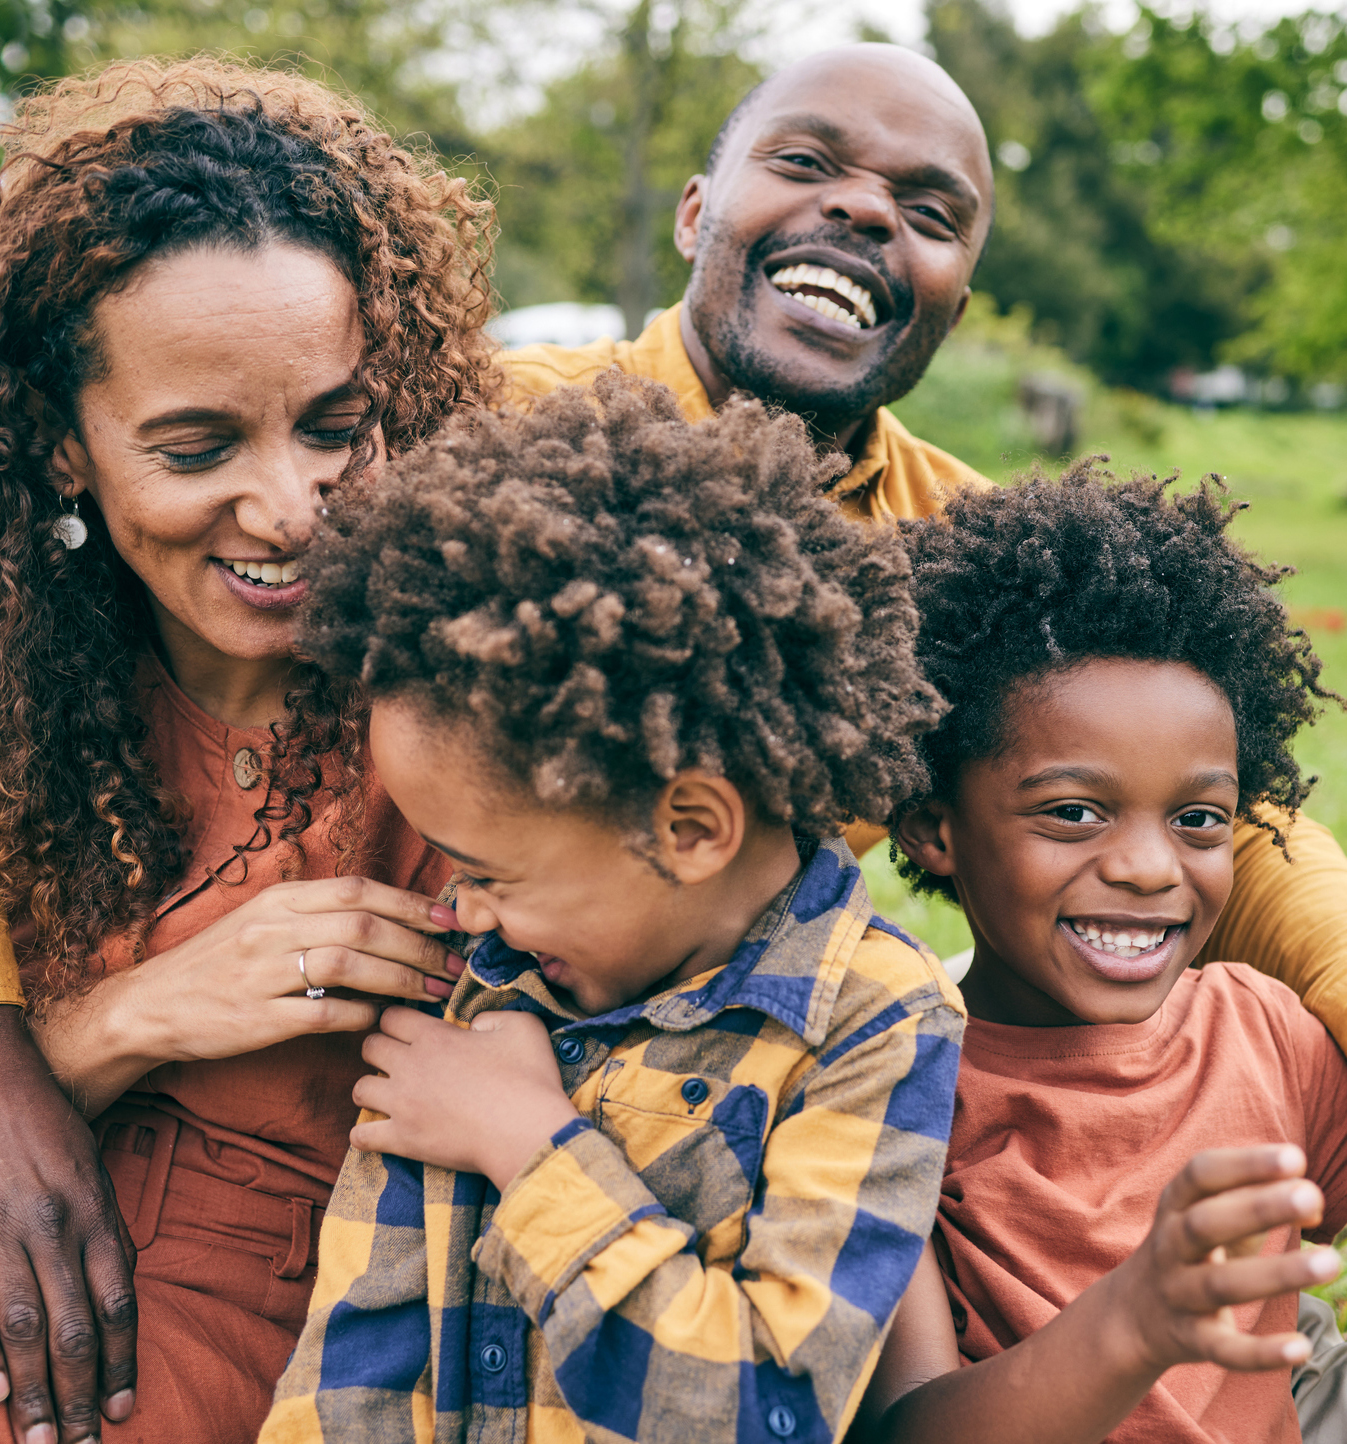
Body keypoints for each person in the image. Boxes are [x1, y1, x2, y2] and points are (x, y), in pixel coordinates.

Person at [496, 42, 1347, 1034]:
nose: (862, 211)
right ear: (694, 214)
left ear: (953, 307)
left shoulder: (964, 544)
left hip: (749, 1086)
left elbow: (1211, 818)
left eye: (931, 215)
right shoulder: (488, 422)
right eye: (806, 163)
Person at [0, 58, 496, 1444]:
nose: (289, 508)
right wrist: (127, 1021)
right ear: (64, 448)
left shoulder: (476, 705)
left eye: (338, 427)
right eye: (196, 446)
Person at [257, 374, 965, 1443]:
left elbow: (762, 1410)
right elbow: (353, 1364)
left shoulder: (873, 1023)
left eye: (490, 873)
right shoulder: (489, 995)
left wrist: (530, 1147)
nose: (465, 913)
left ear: (687, 829)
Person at [854, 468, 1347, 1443]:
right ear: (930, 828)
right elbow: (903, 1429)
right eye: (1072, 812)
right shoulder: (889, 1085)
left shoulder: (1262, 1033)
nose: (1147, 867)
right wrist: (1131, 1322)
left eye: (1197, 818)